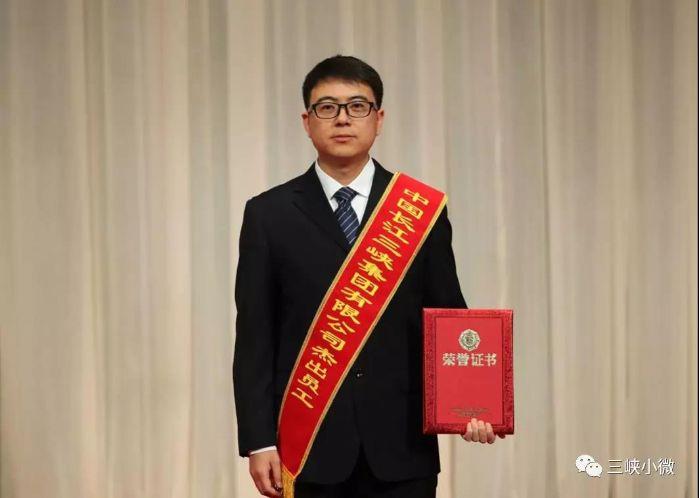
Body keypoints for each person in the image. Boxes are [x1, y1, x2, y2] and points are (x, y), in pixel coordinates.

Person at [233, 55, 505, 498]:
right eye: (327, 107)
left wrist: (473, 403)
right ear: (307, 122)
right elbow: (254, 338)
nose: (342, 119)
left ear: (378, 119)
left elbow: (448, 316)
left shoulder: (420, 209)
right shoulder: (269, 213)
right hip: (309, 444)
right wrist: (259, 441)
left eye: (357, 106)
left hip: (401, 447)